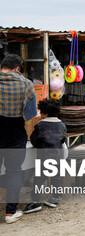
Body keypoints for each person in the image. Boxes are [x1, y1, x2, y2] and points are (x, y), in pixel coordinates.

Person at [0, 54, 37, 224]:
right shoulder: (27, 84)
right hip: (15, 131)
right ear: (17, 68)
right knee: (14, 171)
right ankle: (10, 213)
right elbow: (29, 114)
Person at [23, 99, 66, 214]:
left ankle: (36, 201)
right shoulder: (62, 125)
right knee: (56, 178)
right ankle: (55, 198)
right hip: (58, 156)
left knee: (40, 179)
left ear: (44, 113)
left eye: (41, 112)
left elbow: (34, 140)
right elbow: (63, 140)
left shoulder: (40, 125)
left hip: (44, 156)